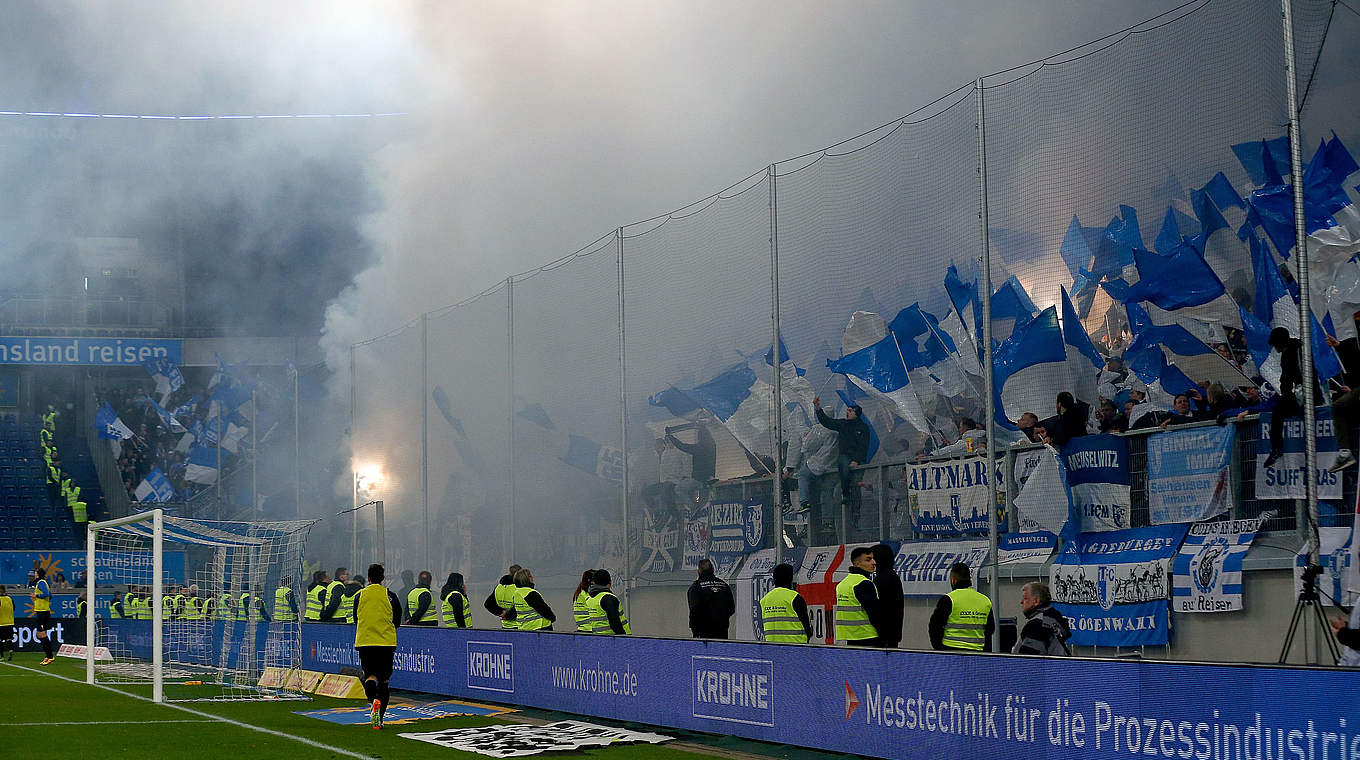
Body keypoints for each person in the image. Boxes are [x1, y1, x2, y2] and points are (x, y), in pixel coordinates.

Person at [353, 563, 401, 730]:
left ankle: (373, 701)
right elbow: (397, 620)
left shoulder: (359, 595)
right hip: (386, 643)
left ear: (368, 578)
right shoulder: (390, 596)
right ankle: (379, 720)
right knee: (384, 680)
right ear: (383, 578)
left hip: (365, 642)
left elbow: (355, 618)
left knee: (370, 676)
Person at [1265, 327, 1318, 468]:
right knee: (1279, 410)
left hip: (1310, 393)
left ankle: (1279, 449)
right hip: (1299, 394)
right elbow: (1285, 380)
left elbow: (1308, 374)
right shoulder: (1289, 353)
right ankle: (1277, 448)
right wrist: (1287, 396)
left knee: (1282, 412)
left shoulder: (1299, 351)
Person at [813, 396, 871, 514]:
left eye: (850, 411)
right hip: (845, 455)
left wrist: (856, 460)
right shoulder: (843, 424)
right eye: (847, 410)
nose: (847, 412)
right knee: (843, 466)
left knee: (856, 483)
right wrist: (818, 409)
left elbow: (863, 446)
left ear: (856, 413)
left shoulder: (863, 428)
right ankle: (846, 494)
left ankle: (855, 510)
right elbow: (827, 422)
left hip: (858, 458)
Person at [784, 421, 839, 543]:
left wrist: (788, 468)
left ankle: (806, 522)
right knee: (825, 495)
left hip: (815, 469)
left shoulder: (814, 429)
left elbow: (801, 448)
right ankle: (826, 524)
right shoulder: (836, 429)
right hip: (829, 469)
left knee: (804, 491)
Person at [928, 562, 995, 652]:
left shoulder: (948, 599)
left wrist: (940, 649)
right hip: (977, 654)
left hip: (951, 653)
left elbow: (934, 627)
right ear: (969, 579)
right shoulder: (985, 600)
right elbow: (990, 629)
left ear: (953, 580)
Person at [835, 546, 882, 647]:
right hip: (868, 636)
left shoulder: (842, 584)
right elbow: (875, 614)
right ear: (857, 564)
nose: (874, 562)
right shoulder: (864, 583)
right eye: (868, 560)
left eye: (873, 559)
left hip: (849, 637)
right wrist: (884, 636)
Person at [1012, 582, 1071, 656]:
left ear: (1036, 601)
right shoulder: (1053, 617)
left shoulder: (1037, 625)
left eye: (1025, 598)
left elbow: (1029, 658)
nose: (1021, 602)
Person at [758, 563, 811, 643]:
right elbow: (807, 626)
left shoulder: (764, 600)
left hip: (772, 648)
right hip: (796, 648)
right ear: (789, 578)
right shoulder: (795, 597)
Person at [687, 558, 735, 639]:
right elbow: (731, 609)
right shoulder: (724, 585)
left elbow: (694, 611)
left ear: (699, 571)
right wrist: (721, 619)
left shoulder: (695, 587)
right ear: (713, 569)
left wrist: (695, 631)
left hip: (702, 634)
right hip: (722, 632)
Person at [870, 544, 903, 648]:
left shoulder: (883, 579)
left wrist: (884, 637)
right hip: (889, 634)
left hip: (885, 636)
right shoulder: (889, 576)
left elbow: (887, 610)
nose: (871, 562)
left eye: (872, 558)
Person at [584, 569, 629, 635]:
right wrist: (622, 637)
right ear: (609, 583)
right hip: (613, 639)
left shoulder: (590, 598)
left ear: (594, 582)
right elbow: (614, 622)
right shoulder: (608, 598)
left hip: (598, 638)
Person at [484, 564, 522, 630]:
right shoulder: (519, 588)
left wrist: (501, 612)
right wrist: (507, 614)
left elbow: (488, 604)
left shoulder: (499, 587)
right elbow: (521, 606)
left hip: (505, 626)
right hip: (520, 626)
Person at [32, 567, 54, 665]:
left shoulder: (41, 582)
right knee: (40, 634)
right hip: (43, 611)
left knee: (41, 634)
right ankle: (48, 655)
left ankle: (50, 656)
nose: (34, 575)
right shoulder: (43, 582)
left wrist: (36, 596)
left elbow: (46, 594)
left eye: (35, 573)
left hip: (42, 612)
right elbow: (50, 595)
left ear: (38, 574)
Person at [0, 586, 13, 661]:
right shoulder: (9, 599)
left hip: (1, 622)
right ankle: (10, 650)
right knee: (9, 639)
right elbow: (13, 608)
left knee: (0, 640)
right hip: (10, 622)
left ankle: (1, 656)